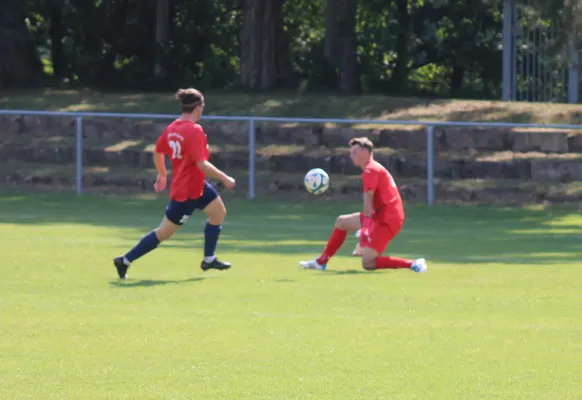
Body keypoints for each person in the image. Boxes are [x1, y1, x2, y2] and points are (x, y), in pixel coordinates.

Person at [113, 88, 236, 279]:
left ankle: (209, 259)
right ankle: (125, 260)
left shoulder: (173, 127)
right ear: (197, 107)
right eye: (202, 106)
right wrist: (225, 178)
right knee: (164, 233)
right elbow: (201, 164)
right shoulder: (194, 130)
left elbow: (158, 151)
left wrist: (162, 173)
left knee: (218, 212)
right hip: (186, 192)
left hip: (197, 186)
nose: (202, 110)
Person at [299, 137, 427, 273]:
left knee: (368, 262)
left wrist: (365, 231)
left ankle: (413, 264)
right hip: (380, 215)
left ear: (365, 151)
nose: (351, 156)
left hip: (388, 219)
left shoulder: (370, 171)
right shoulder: (372, 169)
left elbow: (368, 201)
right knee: (341, 222)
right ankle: (321, 262)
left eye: (354, 152)